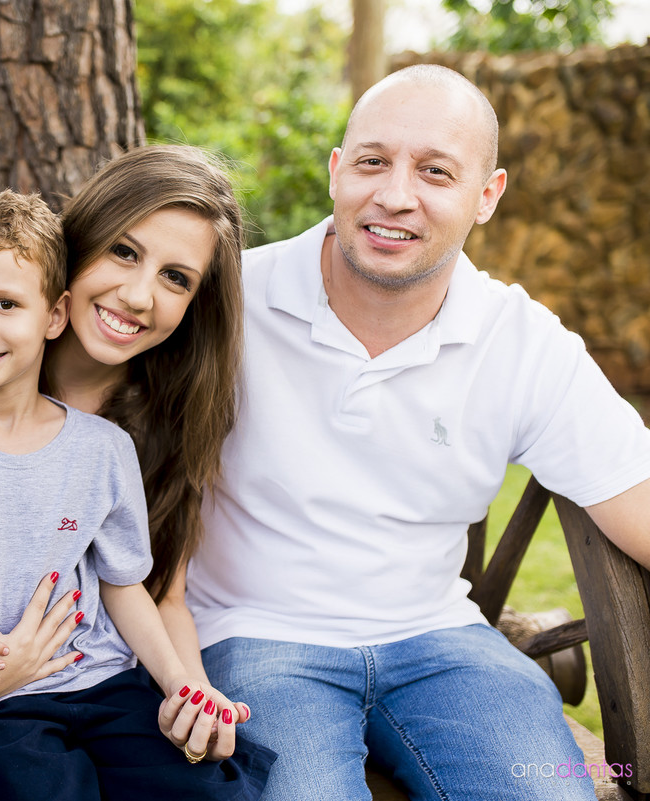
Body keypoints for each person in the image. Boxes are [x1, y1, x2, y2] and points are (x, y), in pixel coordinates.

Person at [189, 64, 650, 801]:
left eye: (436, 171)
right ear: (337, 172)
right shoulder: (225, 301)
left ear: (487, 196)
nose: (395, 195)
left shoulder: (520, 340)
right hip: (257, 638)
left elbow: (640, 502)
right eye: (373, 161)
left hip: (442, 641)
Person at [0, 189, 273, 801]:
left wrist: (183, 684)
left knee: (210, 790)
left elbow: (130, 587)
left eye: (6, 304)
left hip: (103, 682)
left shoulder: (107, 447)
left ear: (53, 314)